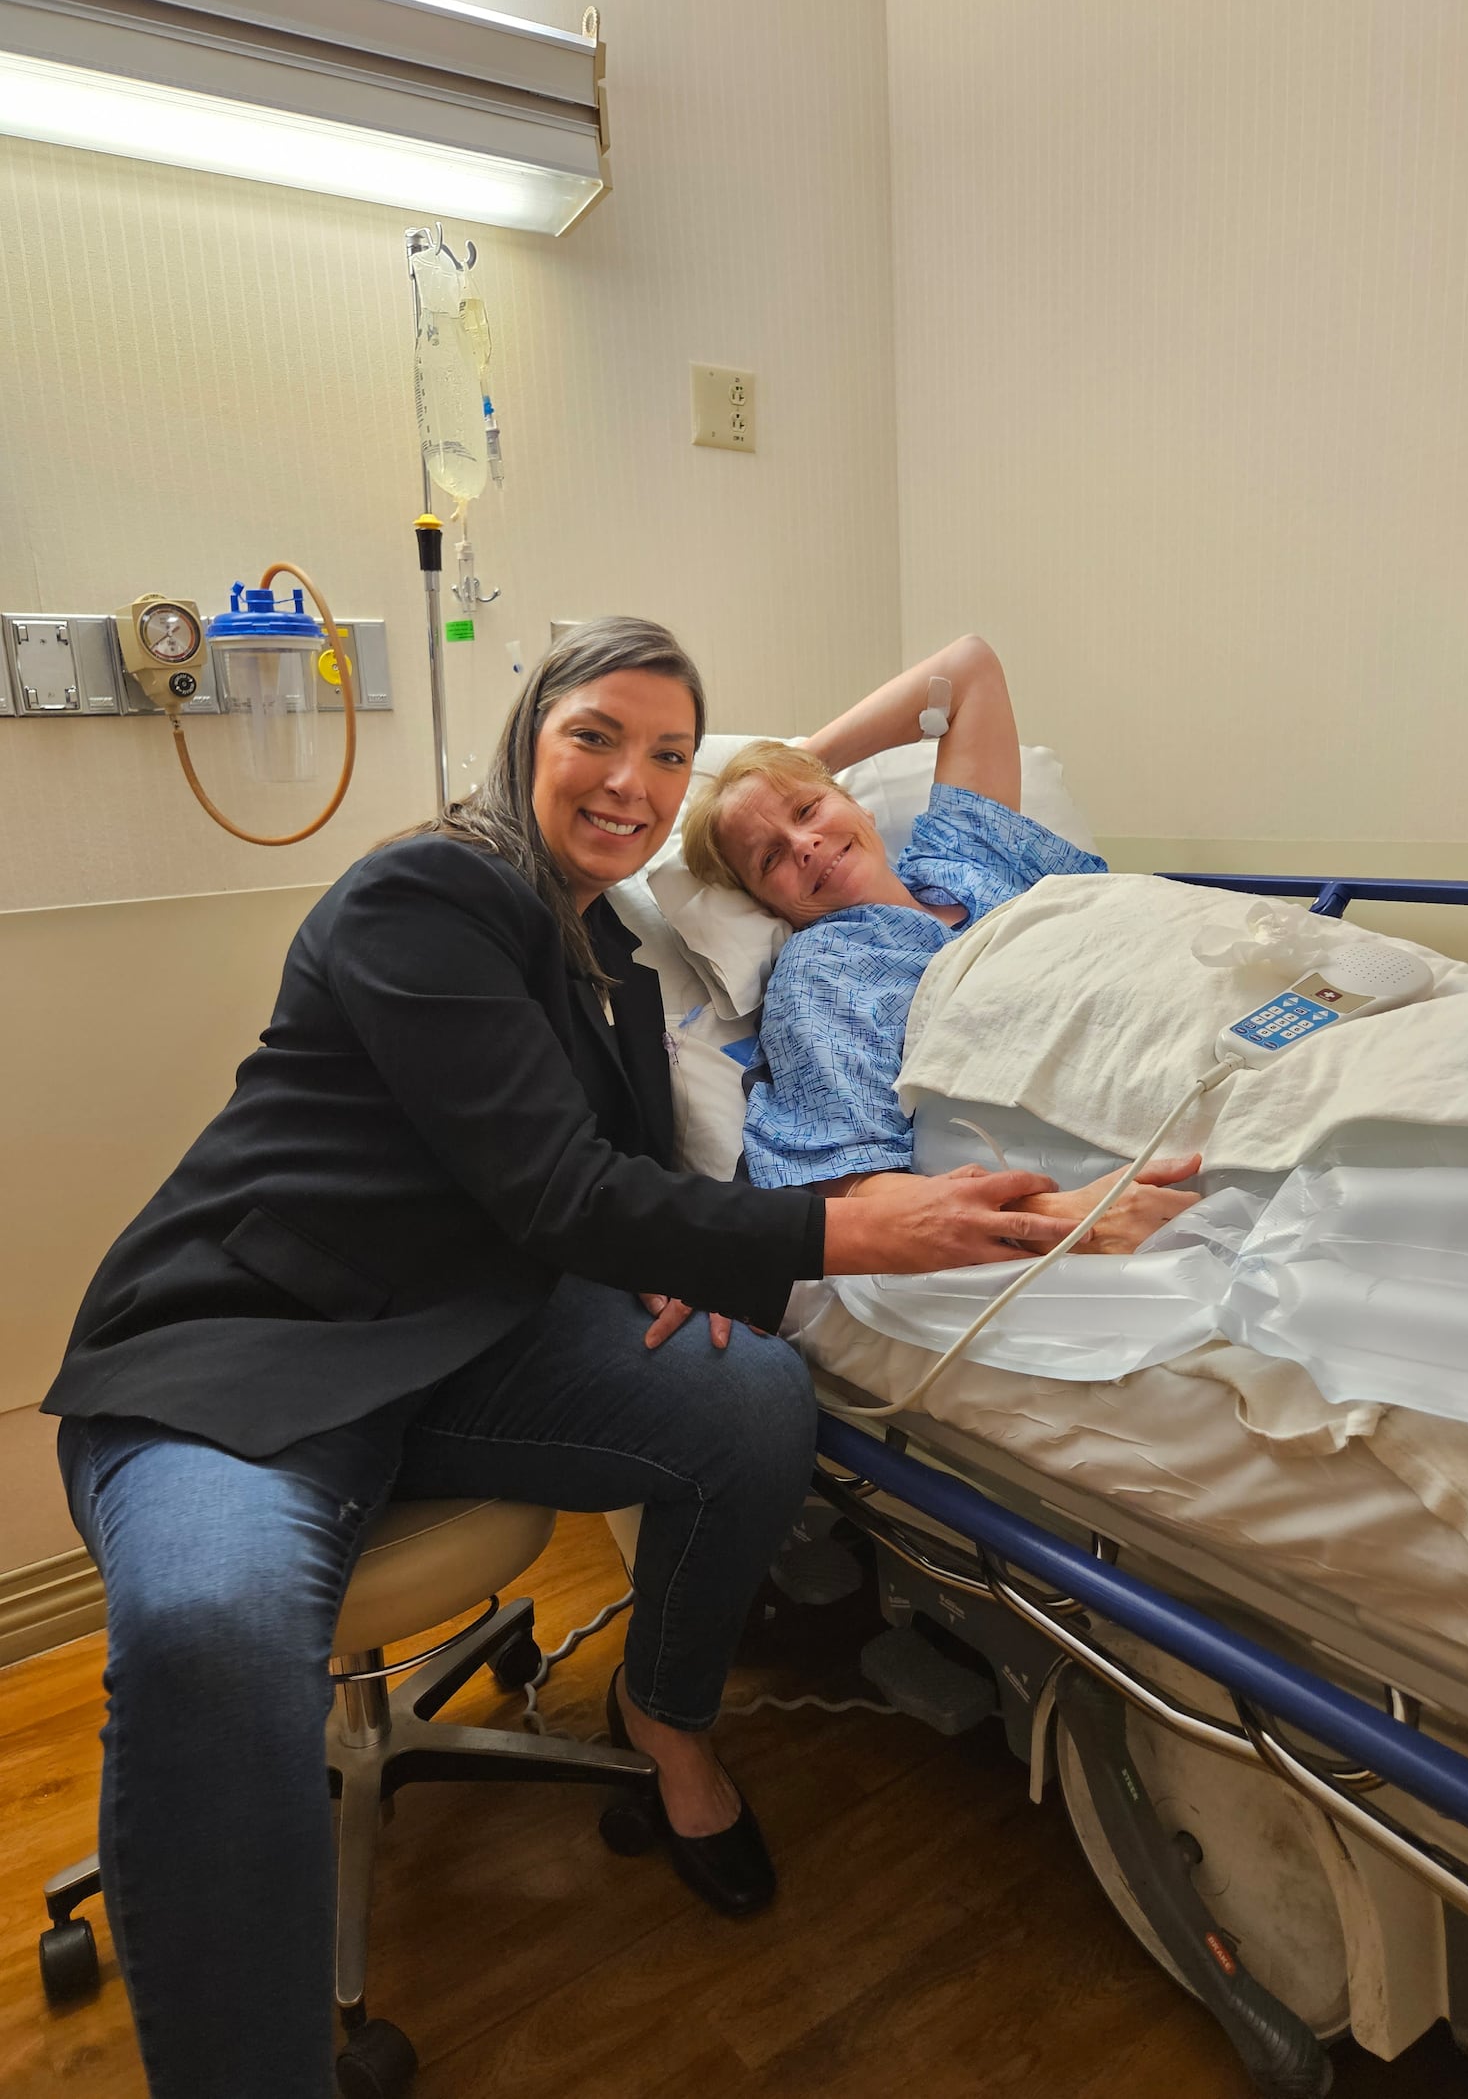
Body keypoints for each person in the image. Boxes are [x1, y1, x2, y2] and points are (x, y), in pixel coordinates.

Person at [41, 617, 1093, 2099]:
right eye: (597, 735)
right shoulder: (431, 891)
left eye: (672, 754)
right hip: (250, 1353)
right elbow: (551, 1186)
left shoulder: (610, 964)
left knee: (747, 1398)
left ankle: (665, 1719)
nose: (632, 780)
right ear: (528, 736)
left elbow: (622, 1176)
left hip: (460, 1347)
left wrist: (685, 1258)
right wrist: (848, 1231)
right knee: (214, 1630)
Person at [680, 632, 1202, 1238]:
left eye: (807, 809)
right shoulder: (823, 974)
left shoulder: (961, 855)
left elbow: (969, 669)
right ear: (765, 904)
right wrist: (1072, 1219)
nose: (805, 845)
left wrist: (799, 758)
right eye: (770, 858)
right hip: (1131, 1122)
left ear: (856, 804)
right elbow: (846, 1182)